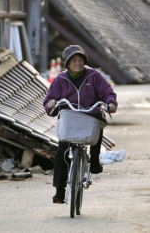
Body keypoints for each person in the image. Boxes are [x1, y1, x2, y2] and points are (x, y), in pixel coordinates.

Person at [43, 45, 118, 204]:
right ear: (67, 64)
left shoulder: (94, 76)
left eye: (81, 60)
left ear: (85, 61)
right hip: (69, 117)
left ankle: (95, 161)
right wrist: (51, 104)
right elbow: (50, 98)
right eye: (74, 60)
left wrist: (110, 103)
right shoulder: (61, 80)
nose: (78, 63)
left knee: (97, 126)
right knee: (62, 152)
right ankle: (59, 191)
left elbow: (107, 92)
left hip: (90, 114)